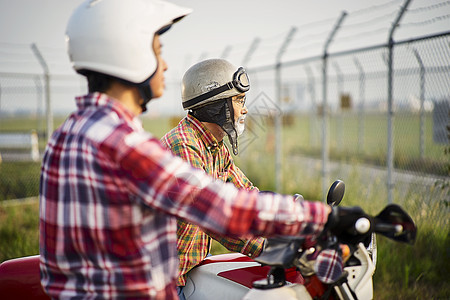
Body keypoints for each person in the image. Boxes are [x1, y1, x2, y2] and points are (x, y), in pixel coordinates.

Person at [39, 0, 371, 299]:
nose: (165, 65)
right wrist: (324, 217)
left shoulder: (67, 136)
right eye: (157, 50)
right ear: (130, 54)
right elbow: (220, 209)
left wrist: (291, 218)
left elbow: (243, 193)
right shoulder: (126, 146)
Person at [161, 59, 265, 295]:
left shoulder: (215, 148)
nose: (245, 109)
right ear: (216, 105)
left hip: (185, 272)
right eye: (239, 100)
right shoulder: (183, 146)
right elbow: (210, 215)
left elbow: (247, 195)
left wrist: (288, 219)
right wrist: (266, 247)